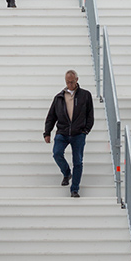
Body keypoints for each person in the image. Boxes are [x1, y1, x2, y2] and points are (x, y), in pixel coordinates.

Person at [43, 70, 94, 198]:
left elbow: (90, 115)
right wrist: (47, 132)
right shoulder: (59, 97)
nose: (70, 84)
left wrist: (86, 130)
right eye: (67, 82)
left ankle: (74, 189)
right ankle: (66, 173)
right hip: (62, 132)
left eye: (72, 82)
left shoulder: (85, 95)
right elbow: (51, 116)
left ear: (77, 79)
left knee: (78, 161)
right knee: (57, 153)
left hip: (79, 134)